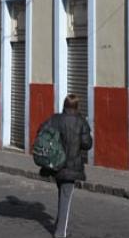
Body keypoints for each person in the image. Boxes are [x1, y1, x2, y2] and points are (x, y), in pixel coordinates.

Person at [38, 94, 92, 238]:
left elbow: (41, 131)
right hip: (71, 166)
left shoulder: (55, 119)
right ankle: (60, 232)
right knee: (66, 198)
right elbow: (87, 144)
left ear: (64, 105)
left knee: (62, 194)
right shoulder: (81, 122)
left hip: (56, 164)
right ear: (77, 106)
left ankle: (58, 224)